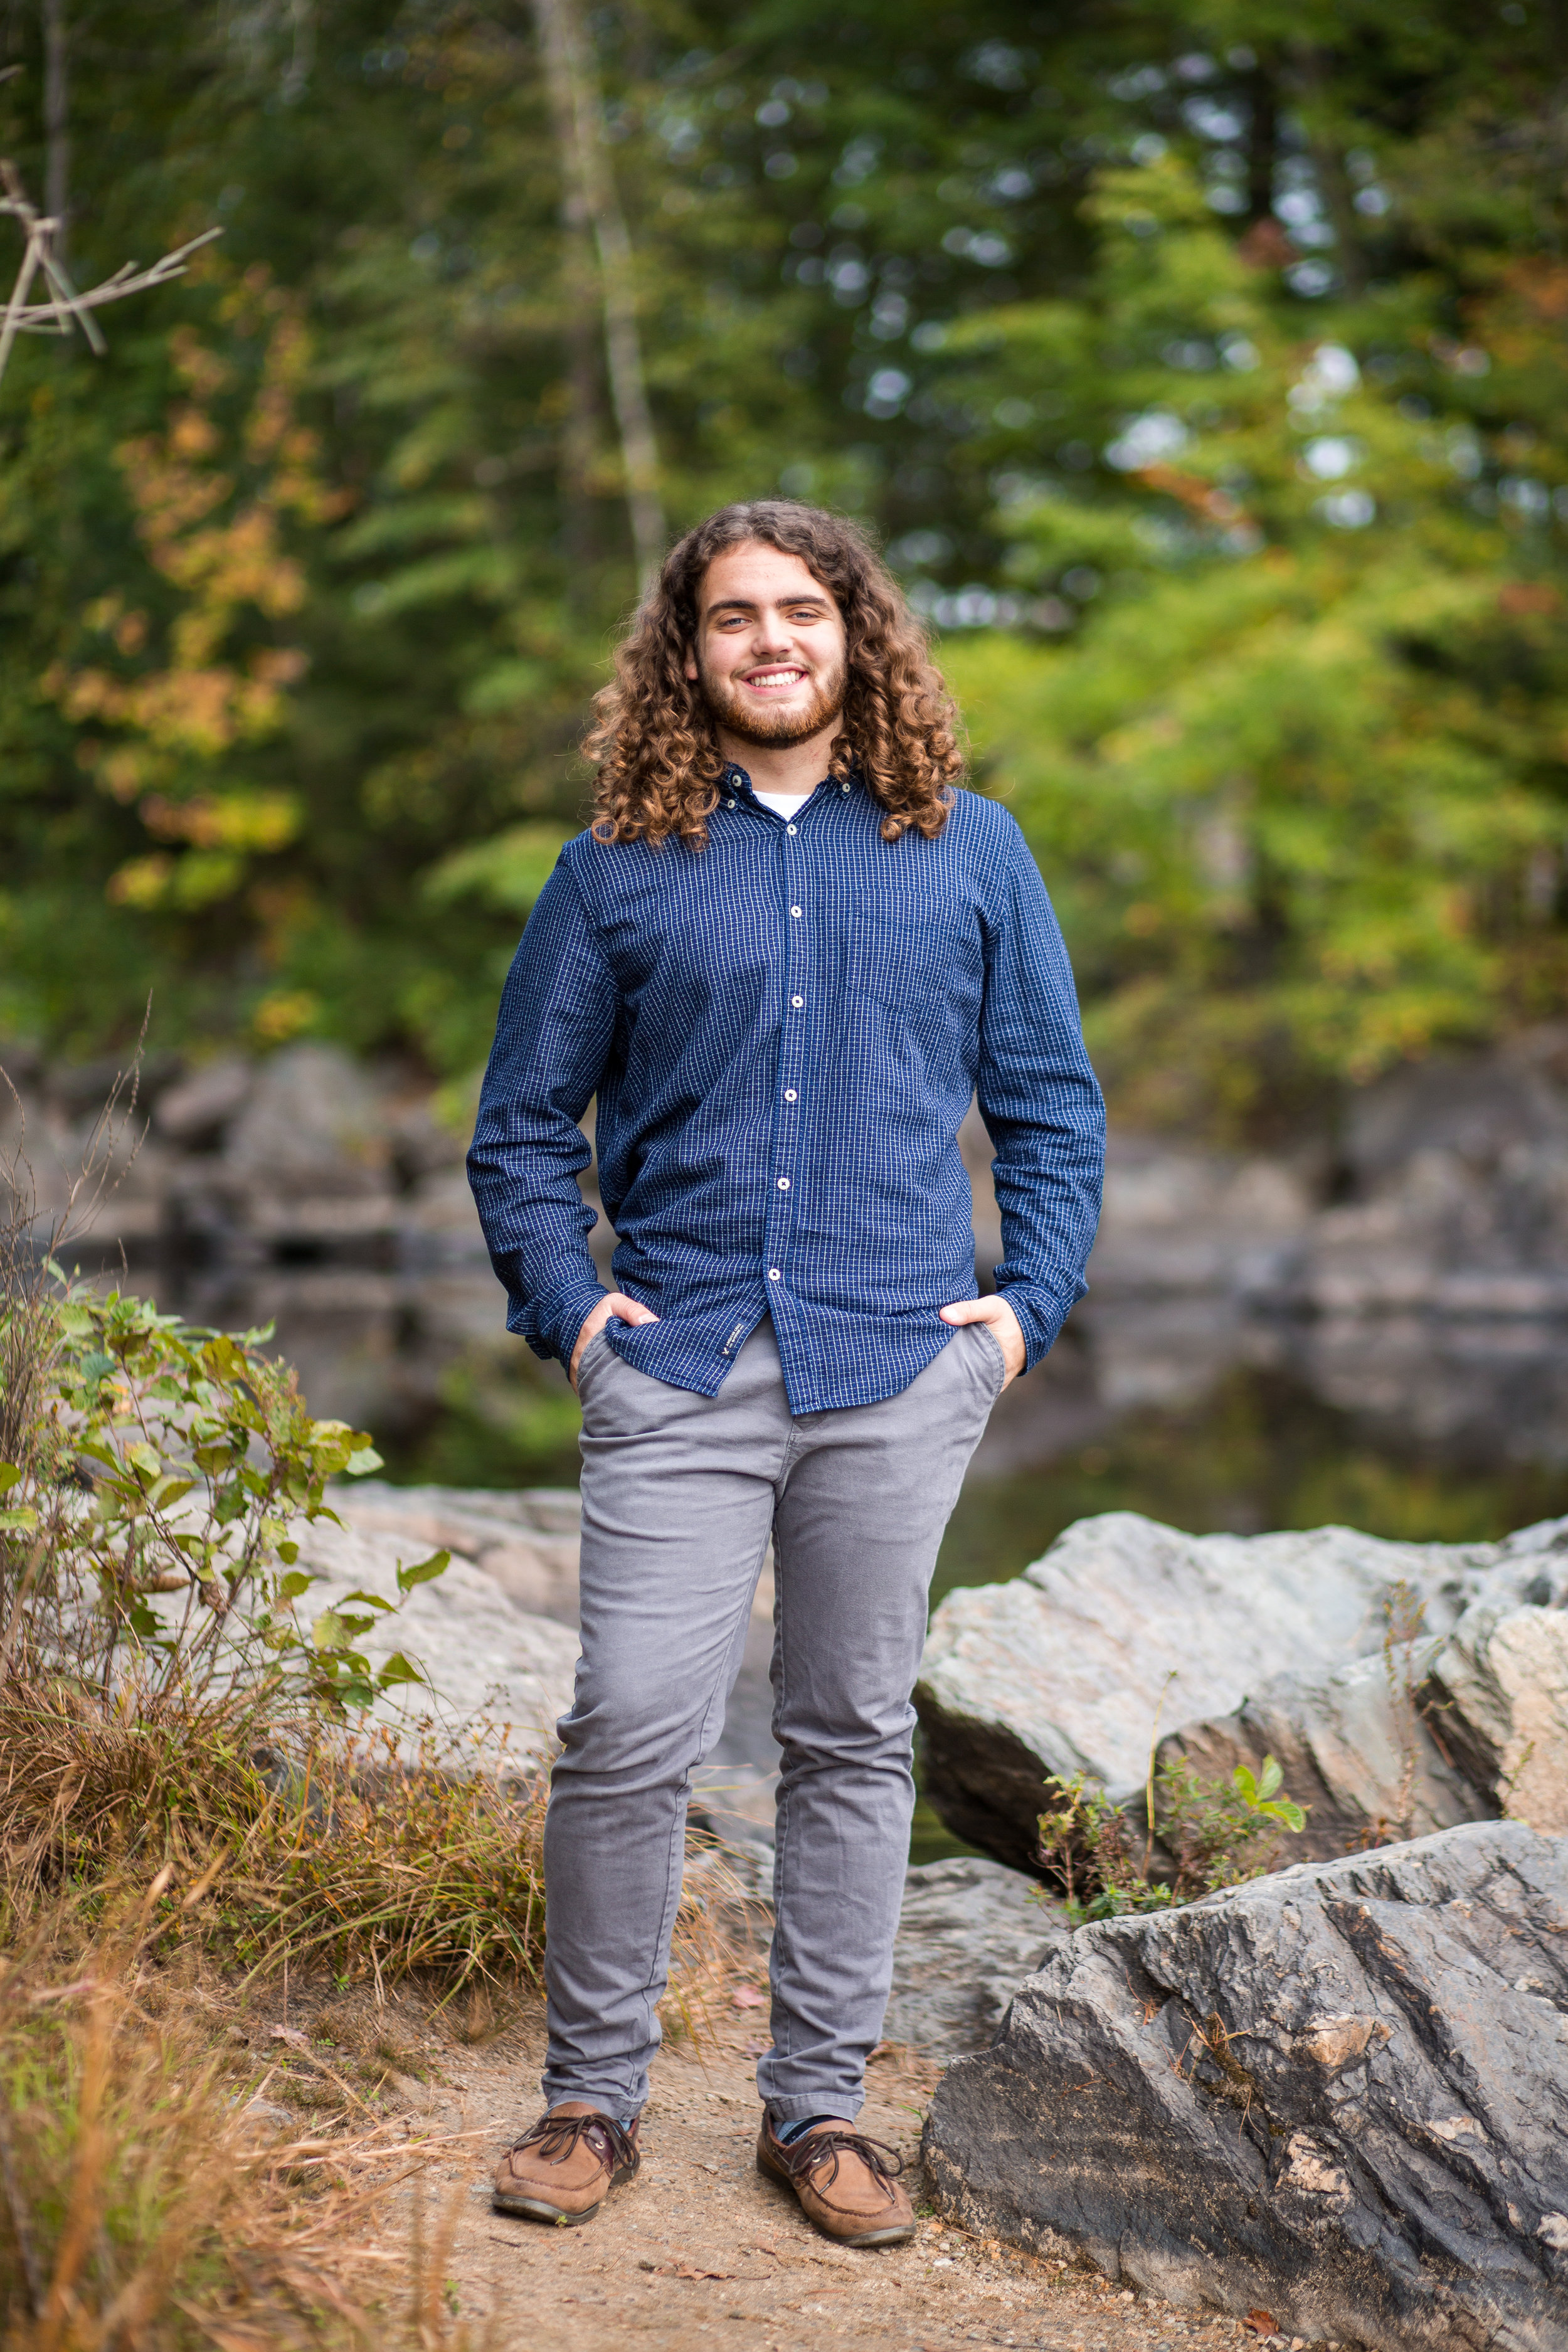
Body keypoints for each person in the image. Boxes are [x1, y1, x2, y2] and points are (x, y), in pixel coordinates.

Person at [467, 499, 1104, 2249]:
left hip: (898, 1365)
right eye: (734, 616)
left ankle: (815, 2110)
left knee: (846, 1733)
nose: (769, 640)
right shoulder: (613, 866)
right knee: (627, 1737)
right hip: (675, 1365)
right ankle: (589, 2101)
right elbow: (524, 1128)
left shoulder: (971, 851)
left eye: (800, 612)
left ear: (855, 639)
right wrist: (573, 1315)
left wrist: (1021, 1309)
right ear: (688, 652)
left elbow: (1050, 1109)